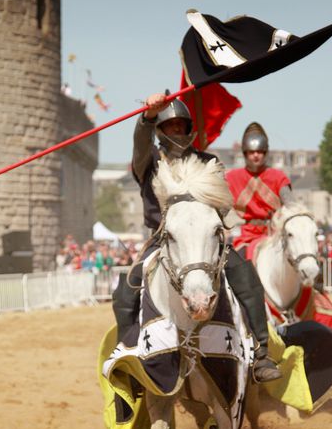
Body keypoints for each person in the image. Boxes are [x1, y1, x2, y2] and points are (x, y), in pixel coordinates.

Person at [112, 92, 281, 383]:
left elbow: (222, 204)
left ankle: (260, 353)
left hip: (205, 239)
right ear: (160, 130)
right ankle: (129, 353)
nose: (177, 130)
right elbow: (140, 144)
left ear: (189, 128)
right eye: (170, 125)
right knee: (125, 291)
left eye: (181, 125)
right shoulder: (149, 160)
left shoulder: (208, 160)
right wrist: (148, 116)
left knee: (247, 278)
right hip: (163, 238)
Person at [225, 122, 292, 261]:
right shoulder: (232, 178)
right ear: (245, 153)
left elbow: (291, 208)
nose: (256, 155)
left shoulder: (278, 177)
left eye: (260, 151)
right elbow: (220, 208)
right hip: (247, 236)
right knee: (233, 266)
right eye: (252, 152)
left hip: (275, 234)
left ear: (265, 153)